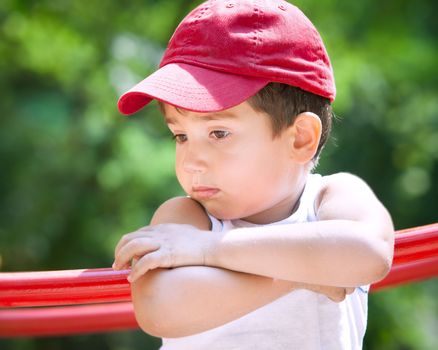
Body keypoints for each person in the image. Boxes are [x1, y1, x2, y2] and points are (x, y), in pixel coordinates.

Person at [112, 0, 394, 349]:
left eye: (218, 134)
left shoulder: (331, 199)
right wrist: (302, 275)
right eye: (180, 136)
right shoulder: (186, 220)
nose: (190, 162)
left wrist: (209, 249)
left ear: (300, 138)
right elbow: (160, 310)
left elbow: (369, 253)